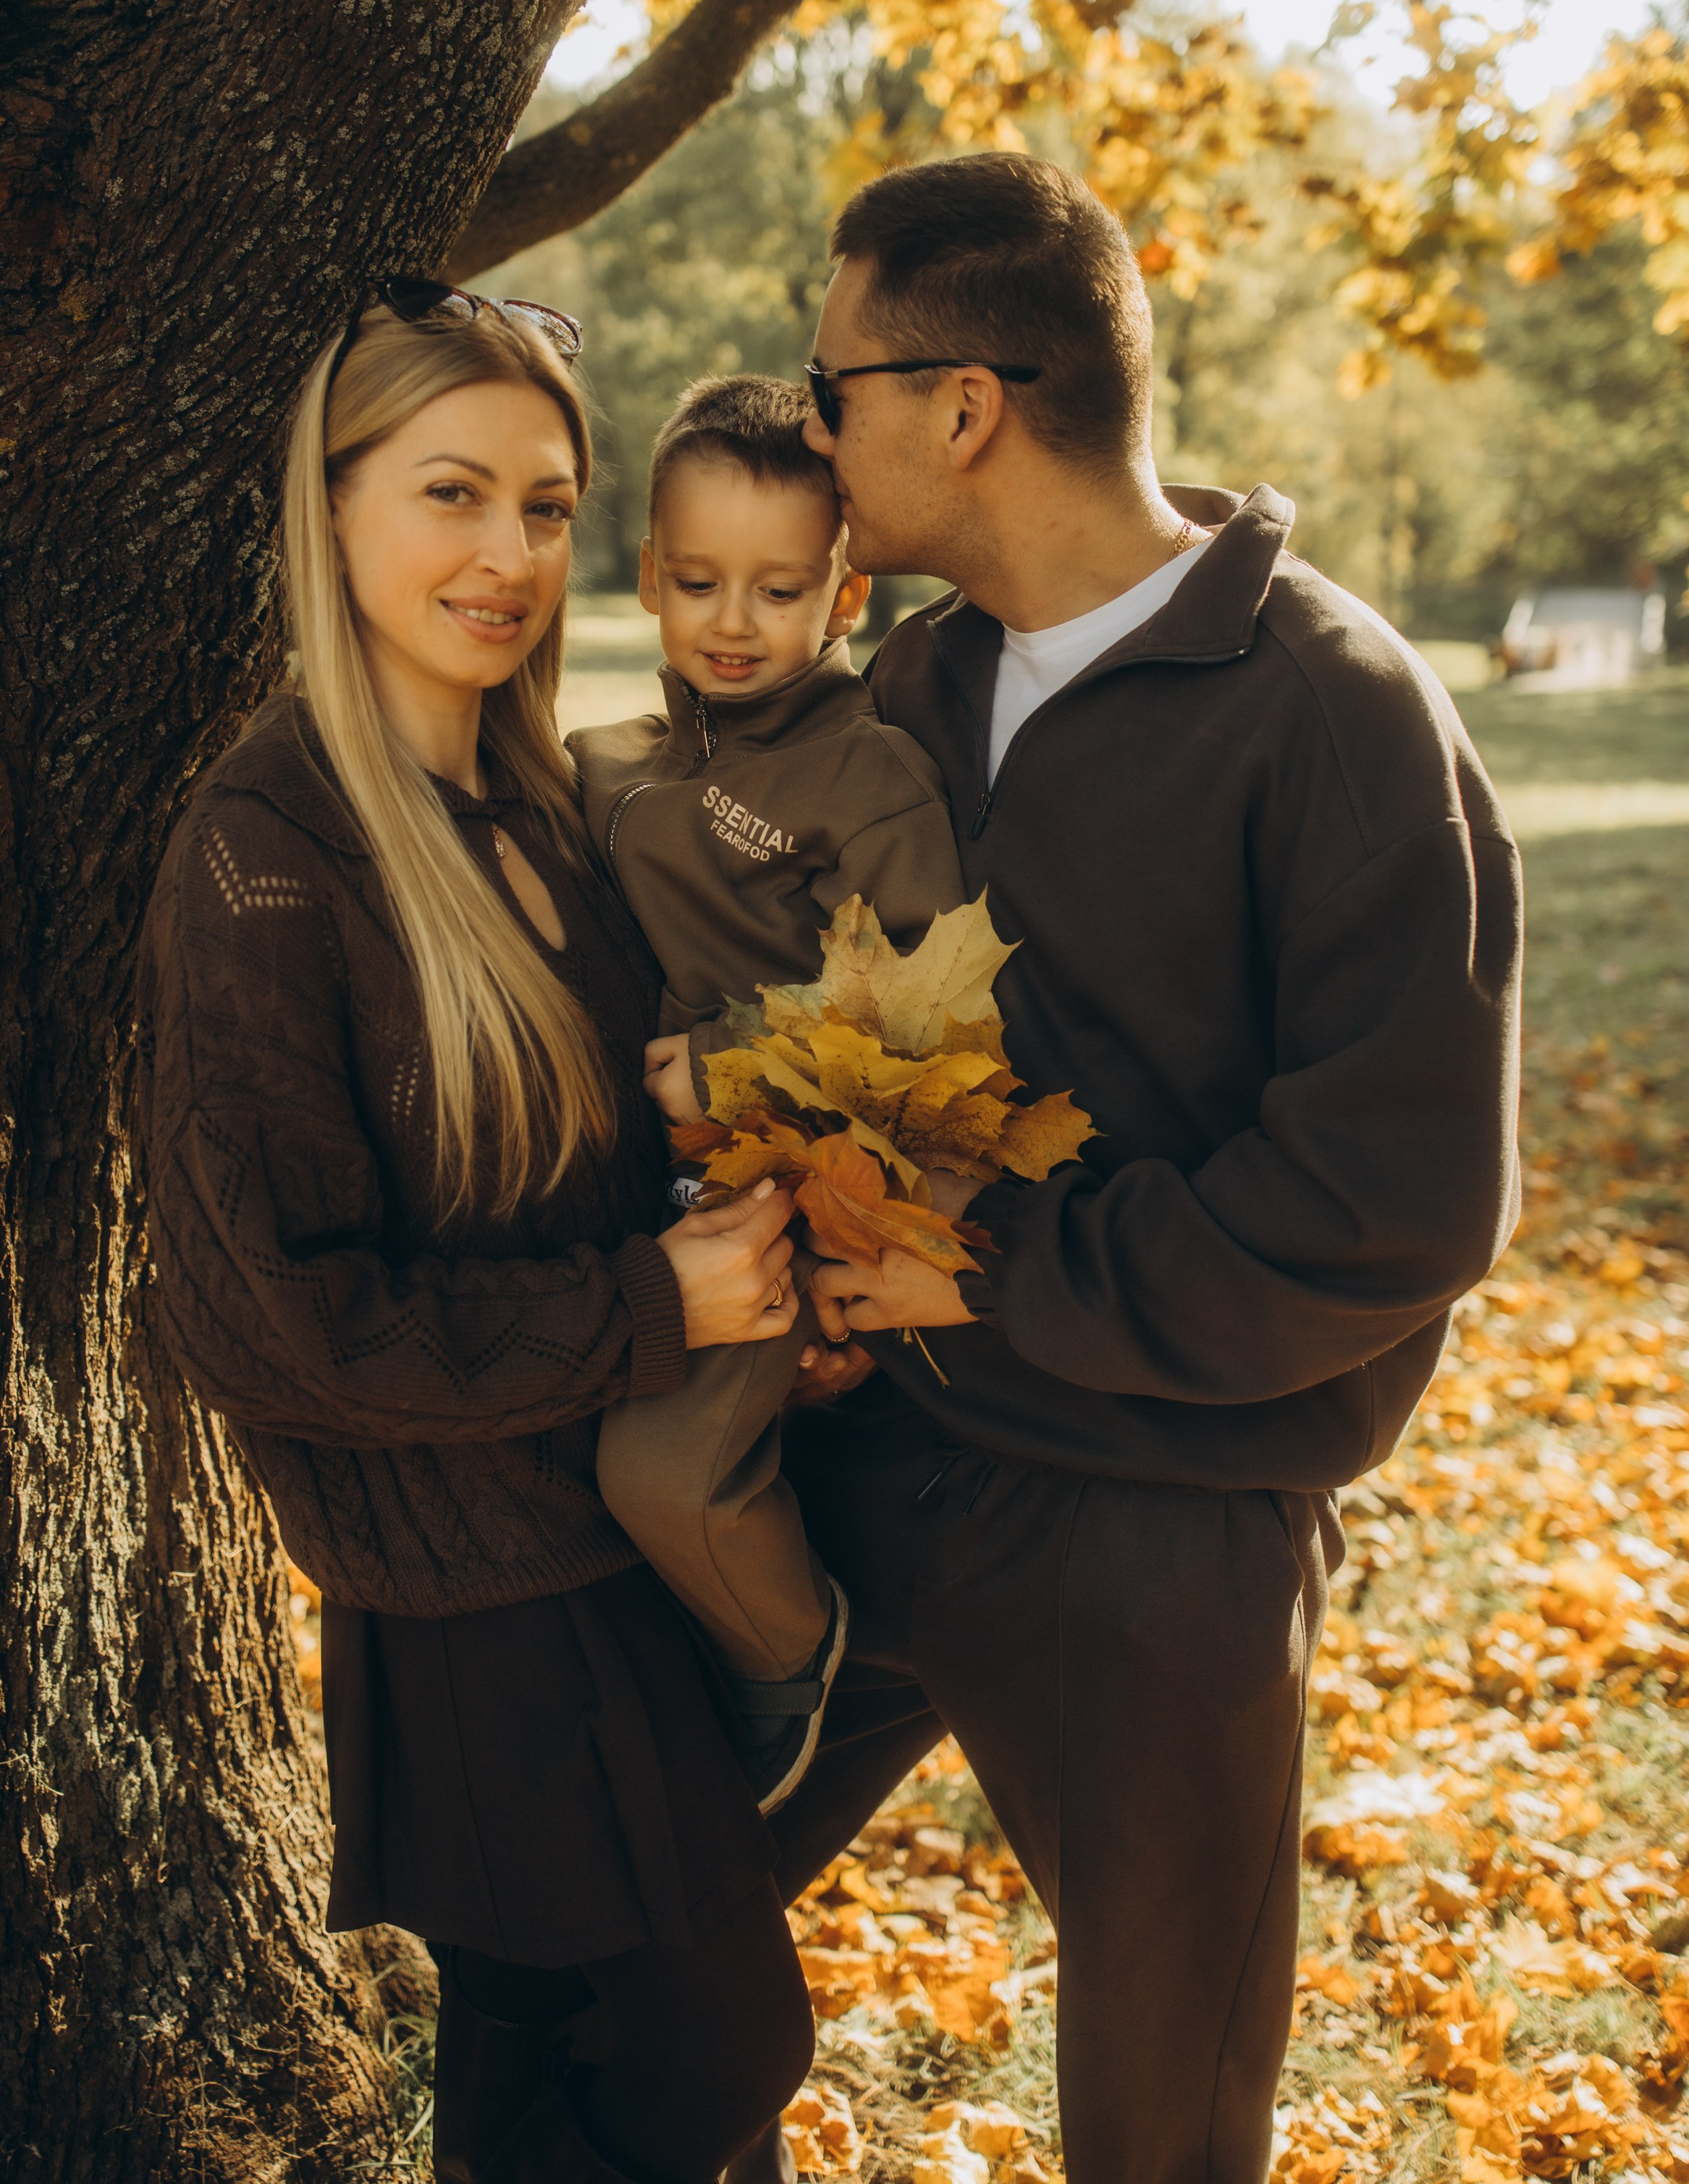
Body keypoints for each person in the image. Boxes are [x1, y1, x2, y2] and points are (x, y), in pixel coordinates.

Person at [763, 156, 1523, 2183]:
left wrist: (996, 1277)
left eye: (827, 383)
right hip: (851, 1450)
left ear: (959, 405)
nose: (806, 428)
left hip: (1152, 1516)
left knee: (1158, 2117)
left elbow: (1392, 1200)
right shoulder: (906, 691)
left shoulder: (1332, 708)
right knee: (610, 1906)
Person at [132, 285, 814, 2184]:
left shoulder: (540, 799)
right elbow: (269, 1322)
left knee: (550, 2050)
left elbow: (579, 1168)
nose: (505, 554)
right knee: (726, 2033)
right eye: (449, 493)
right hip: (480, 1589)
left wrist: (714, 1168)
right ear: (331, 507)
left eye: (541, 503)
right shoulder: (271, 848)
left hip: (626, 1517)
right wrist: (643, 1301)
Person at [570, 374, 964, 1810]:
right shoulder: (608, 765)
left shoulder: (866, 777)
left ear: (843, 595)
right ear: (649, 578)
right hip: (618, 1194)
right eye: (698, 580)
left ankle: (795, 1652)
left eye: (779, 586)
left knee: (662, 1469)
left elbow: (924, 1025)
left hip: (778, 1193)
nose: (733, 621)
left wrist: (737, 1063)